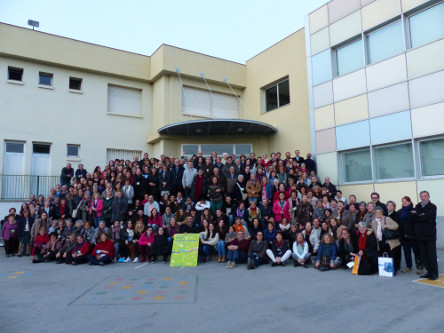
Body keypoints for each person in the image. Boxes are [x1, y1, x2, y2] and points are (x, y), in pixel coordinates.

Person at [411, 191, 438, 280]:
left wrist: (418, 215)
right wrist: (420, 215)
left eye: (425, 196)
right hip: (419, 235)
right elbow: (412, 217)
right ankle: (428, 271)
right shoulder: (418, 206)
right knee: (424, 255)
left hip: (429, 236)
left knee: (431, 255)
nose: (423, 198)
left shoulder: (432, 207)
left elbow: (429, 217)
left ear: (429, 197)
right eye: (421, 196)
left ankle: (434, 273)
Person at [371, 207, 401, 275]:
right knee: (382, 255)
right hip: (380, 240)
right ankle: (385, 270)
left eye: (379, 212)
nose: (378, 214)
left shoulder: (386, 218)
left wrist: (387, 226)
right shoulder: (374, 221)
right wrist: (370, 231)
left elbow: (396, 225)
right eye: (376, 212)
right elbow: (373, 229)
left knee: (392, 255)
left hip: (389, 240)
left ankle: (393, 270)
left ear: (382, 213)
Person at [397, 196, 422, 274]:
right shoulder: (400, 212)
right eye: (403, 201)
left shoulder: (414, 210)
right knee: (406, 252)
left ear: (410, 202)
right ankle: (408, 266)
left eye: (406, 201)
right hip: (404, 235)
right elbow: (398, 223)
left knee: (417, 252)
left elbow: (418, 220)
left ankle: (419, 267)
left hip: (413, 235)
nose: (404, 202)